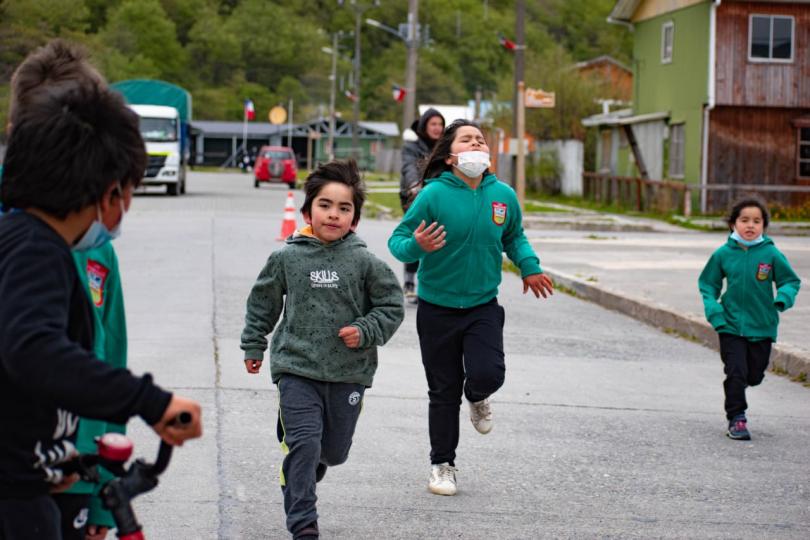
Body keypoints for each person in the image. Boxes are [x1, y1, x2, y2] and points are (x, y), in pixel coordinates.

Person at [0, 50, 202, 538]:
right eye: (129, 191)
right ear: (109, 193)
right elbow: (32, 349)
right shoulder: (36, 251)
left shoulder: (23, 240)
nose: (128, 206)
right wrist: (148, 401)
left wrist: (57, 459)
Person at [3, 39, 131, 540]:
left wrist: (103, 494)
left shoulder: (95, 243)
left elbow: (107, 358)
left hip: (76, 468)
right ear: (19, 134)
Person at [388, 119, 554, 496]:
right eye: (467, 139)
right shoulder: (432, 194)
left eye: (480, 138)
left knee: (489, 372)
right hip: (436, 308)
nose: (477, 142)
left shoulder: (504, 196)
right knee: (443, 392)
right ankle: (442, 465)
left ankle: (478, 395)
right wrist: (418, 246)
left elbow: (514, 236)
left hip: (482, 304)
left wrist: (530, 267)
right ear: (450, 156)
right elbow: (398, 241)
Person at [240, 159, 404, 539]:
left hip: (349, 372)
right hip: (296, 368)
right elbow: (263, 303)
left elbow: (392, 306)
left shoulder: (365, 262)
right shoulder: (287, 258)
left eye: (344, 208)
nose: (333, 214)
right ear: (307, 211)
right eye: (325, 205)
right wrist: (254, 343)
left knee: (332, 452)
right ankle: (303, 524)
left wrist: (365, 330)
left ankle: (304, 467)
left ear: (355, 218)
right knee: (303, 444)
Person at [698, 197, 800, 441]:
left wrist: (782, 299)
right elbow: (708, 284)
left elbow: (790, 281)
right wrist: (715, 313)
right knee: (735, 372)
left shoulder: (771, 254)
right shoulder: (723, 254)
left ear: (764, 226)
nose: (750, 225)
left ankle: (741, 386)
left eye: (757, 221)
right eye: (744, 220)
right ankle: (737, 418)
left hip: (762, 326)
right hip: (730, 325)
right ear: (733, 224)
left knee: (753, 375)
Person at [399, 108, 445, 304]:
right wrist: (414, 186)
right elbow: (409, 166)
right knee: (416, 235)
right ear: (424, 126)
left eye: (440, 124)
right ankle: (409, 282)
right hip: (413, 195)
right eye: (433, 124)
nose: (437, 128)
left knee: (438, 235)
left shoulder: (446, 146)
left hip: (438, 195)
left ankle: (433, 282)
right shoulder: (412, 147)